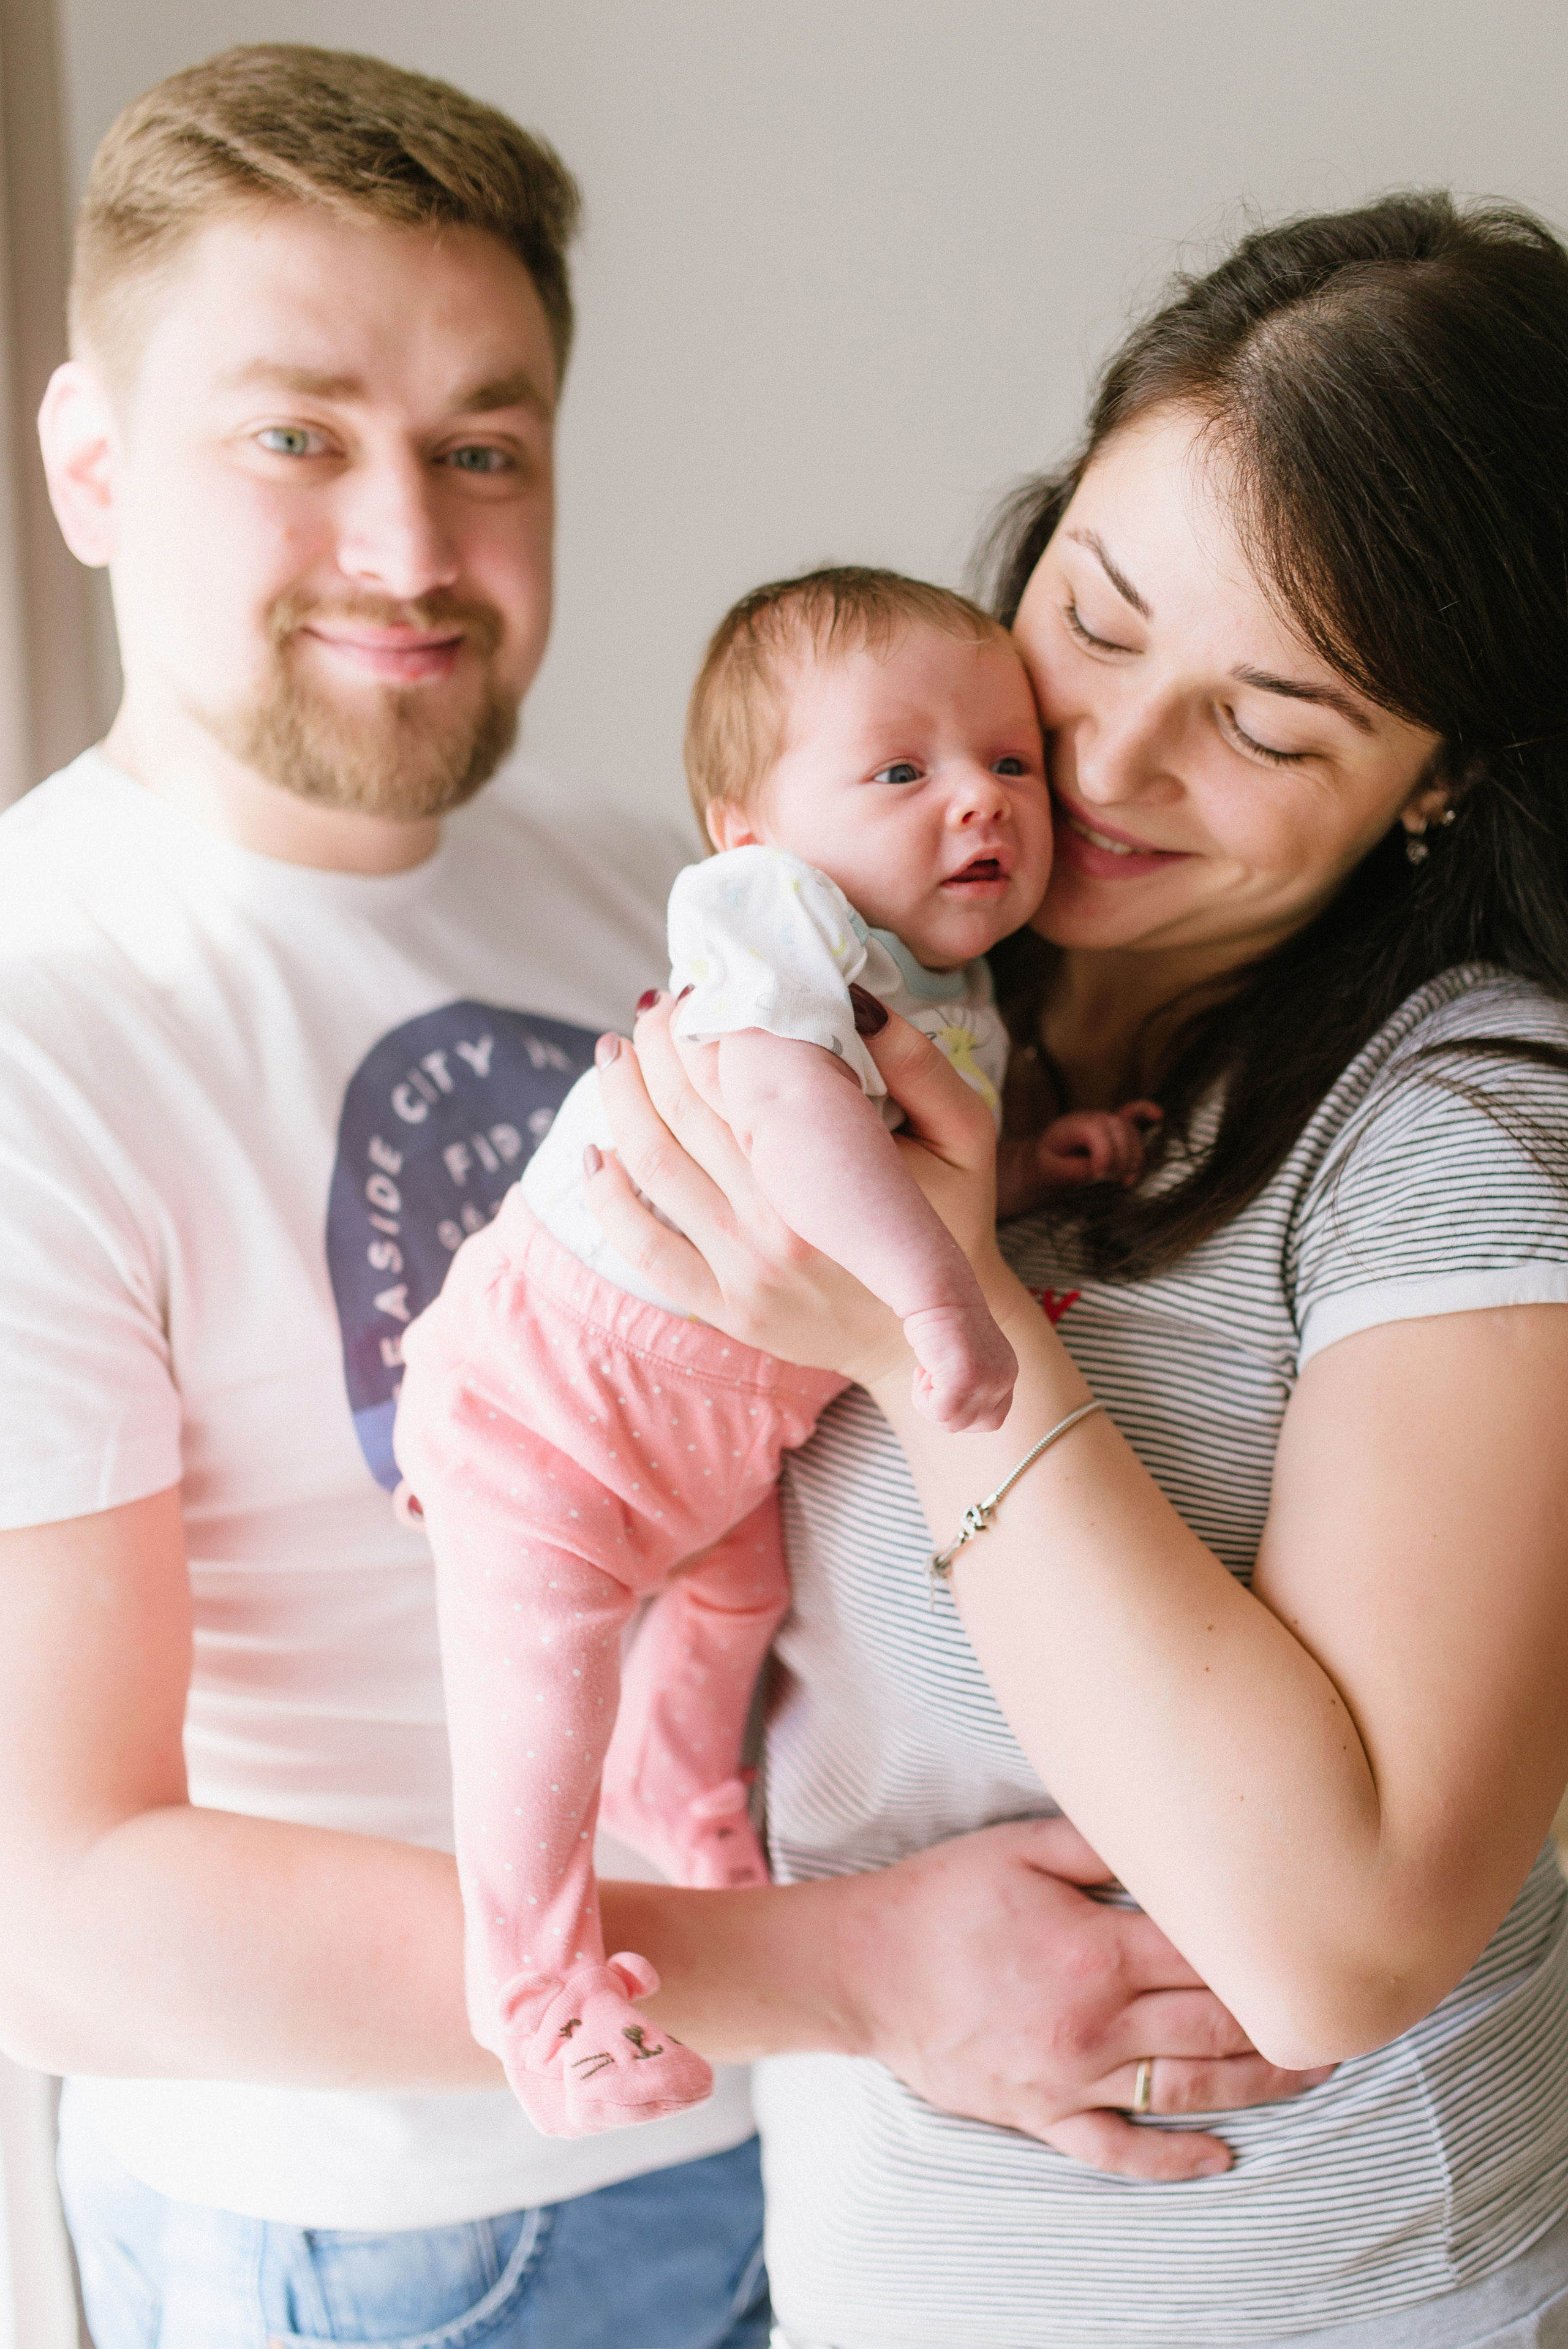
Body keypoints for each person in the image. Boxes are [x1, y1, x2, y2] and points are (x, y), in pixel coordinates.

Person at [0, 40, 1321, 2349]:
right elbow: (52, 1903)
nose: (412, 547)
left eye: (483, 446)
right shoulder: (44, 1012)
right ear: (94, 465)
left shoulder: (664, 874)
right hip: (397, 2241)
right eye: (296, 435)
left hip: (798, 2146)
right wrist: (862, 1970)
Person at [578, 193, 1568, 2347]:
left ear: (1442, 783)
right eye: (1099, 616)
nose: (1105, 768)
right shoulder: (896, 966)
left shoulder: (1470, 1124)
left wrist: (941, 1320)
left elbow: (1335, 1938)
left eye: (1270, 728)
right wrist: (859, 1977)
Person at [393, 566, 1153, 2139]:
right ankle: (535, 1997)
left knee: (734, 1598)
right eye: (900, 771)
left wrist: (1024, 1169)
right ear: (748, 826)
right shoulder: (770, 920)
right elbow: (800, 1126)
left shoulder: (954, 985)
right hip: (548, 1407)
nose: (978, 805)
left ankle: (683, 1807)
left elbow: (907, 1153)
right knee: (545, 1685)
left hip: (718, 1418)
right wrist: (939, 1299)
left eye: (1009, 763)